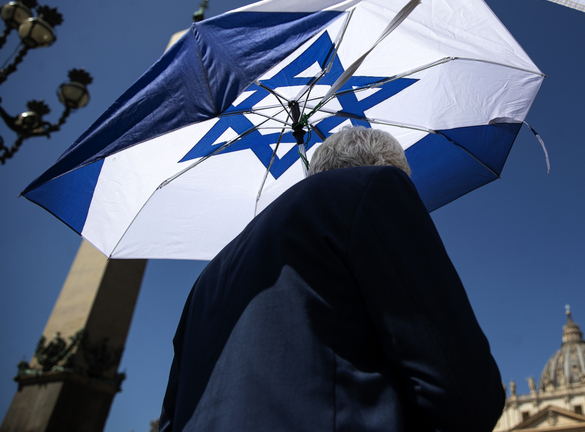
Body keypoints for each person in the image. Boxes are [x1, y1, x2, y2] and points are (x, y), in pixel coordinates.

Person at [159, 126, 504, 432]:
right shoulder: (378, 186)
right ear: (390, 167)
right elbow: (465, 395)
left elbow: (172, 418)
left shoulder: (207, 278)